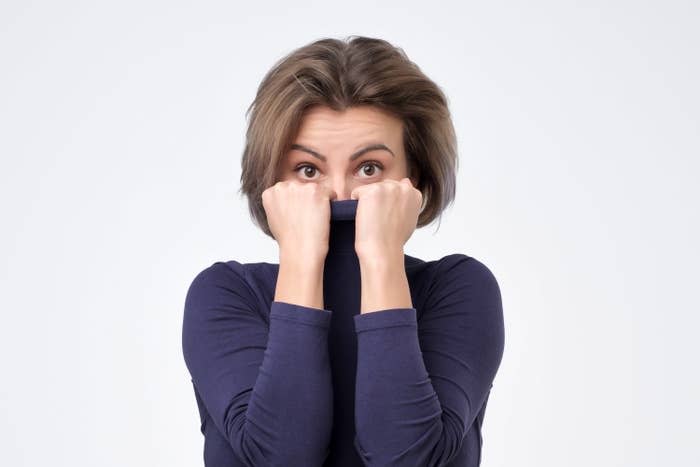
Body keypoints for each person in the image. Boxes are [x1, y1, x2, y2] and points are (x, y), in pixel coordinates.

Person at [181, 35, 505, 466]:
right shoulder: (226, 294)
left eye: (369, 168)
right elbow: (282, 459)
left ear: (416, 180)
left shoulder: (457, 288)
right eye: (308, 170)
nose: (337, 194)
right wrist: (300, 258)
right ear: (271, 184)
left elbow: (407, 460)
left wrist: (380, 257)